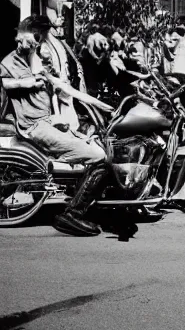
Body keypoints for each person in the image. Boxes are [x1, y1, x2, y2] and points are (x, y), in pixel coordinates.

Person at [0, 16, 109, 237]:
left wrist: (103, 107)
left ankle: (80, 199)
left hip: (48, 122)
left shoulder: (36, 59)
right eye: (36, 36)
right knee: (98, 156)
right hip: (34, 127)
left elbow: (64, 89)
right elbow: (5, 82)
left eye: (41, 38)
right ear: (24, 34)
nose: (39, 43)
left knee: (95, 140)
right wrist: (26, 82)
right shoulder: (10, 63)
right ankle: (73, 214)